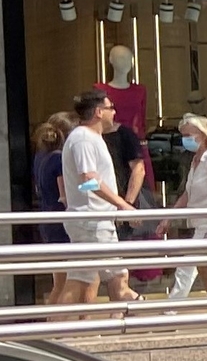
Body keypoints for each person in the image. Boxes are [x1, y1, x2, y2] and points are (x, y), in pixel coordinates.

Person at [58, 88, 136, 304]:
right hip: (93, 220)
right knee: (118, 278)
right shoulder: (84, 139)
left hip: (90, 218)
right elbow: (88, 180)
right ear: (99, 112)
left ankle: (58, 328)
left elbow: (84, 184)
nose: (114, 113)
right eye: (111, 108)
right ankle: (140, 316)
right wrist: (122, 204)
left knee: (79, 280)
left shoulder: (86, 137)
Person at [162, 114, 207, 301]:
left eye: (189, 135)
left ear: (203, 134)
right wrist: (168, 218)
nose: (185, 139)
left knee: (188, 268)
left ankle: (171, 309)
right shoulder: (195, 160)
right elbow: (187, 195)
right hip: (199, 222)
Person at [29, 111, 72, 301]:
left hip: (47, 219)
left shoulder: (41, 157)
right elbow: (65, 195)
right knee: (64, 283)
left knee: (59, 282)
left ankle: (53, 321)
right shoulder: (58, 160)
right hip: (60, 223)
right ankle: (54, 321)